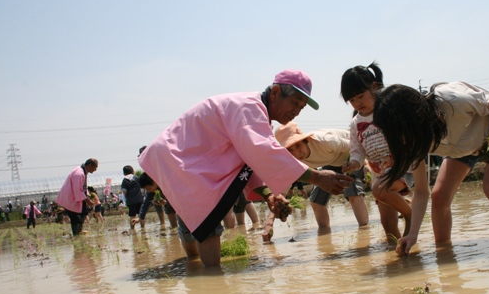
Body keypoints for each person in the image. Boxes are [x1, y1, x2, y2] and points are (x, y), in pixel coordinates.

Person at [138, 69, 352, 266]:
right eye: (295, 103)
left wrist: (269, 195)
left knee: (197, 222)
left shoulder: (257, 115)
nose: (296, 111)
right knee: (208, 225)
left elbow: (249, 160)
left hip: (181, 159)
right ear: (276, 92)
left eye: (301, 107)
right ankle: (213, 284)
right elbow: (263, 152)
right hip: (181, 160)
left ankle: (195, 273)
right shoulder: (249, 107)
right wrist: (316, 177)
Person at [372, 82, 489, 255]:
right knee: (439, 196)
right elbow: (421, 192)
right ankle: (444, 253)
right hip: (462, 145)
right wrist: (412, 235)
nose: (398, 139)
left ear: (412, 119)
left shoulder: (454, 99)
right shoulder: (414, 141)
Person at [340, 62, 412, 240]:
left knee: (380, 189)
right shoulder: (356, 123)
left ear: (374, 87)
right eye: (352, 100)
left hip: (401, 166)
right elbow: (357, 150)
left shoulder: (389, 110)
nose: (357, 103)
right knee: (387, 225)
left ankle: (410, 214)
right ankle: (401, 253)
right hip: (379, 172)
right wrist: (354, 163)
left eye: (360, 96)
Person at [275, 121, 369, 228]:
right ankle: (324, 234)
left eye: (298, 146)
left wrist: (364, 164)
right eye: (290, 150)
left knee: (352, 194)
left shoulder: (325, 141)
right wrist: (269, 224)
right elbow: (280, 194)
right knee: (316, 202)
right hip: (331, 162)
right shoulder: (292, 162)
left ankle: (365, 231)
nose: (296, 153)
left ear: (305, 140)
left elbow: (355, 146)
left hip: (351, 155)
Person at [56, 158, 98, 236]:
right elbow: (78, 191)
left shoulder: (82, 171)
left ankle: (79, 231)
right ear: (89, 166)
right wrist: (88, 201)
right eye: (95, 167)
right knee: (76, 218)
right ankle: (77, 234)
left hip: (75, 198)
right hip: (71, 199)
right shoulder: (79, 174)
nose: (95, 170)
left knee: (84, 212)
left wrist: (87, 194)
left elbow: (82, 187)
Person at [121, 165, 144, 230]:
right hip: (139, 199)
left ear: (124, 173)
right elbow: (142, 188)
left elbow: (124, 191)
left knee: (132, 216)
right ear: (133, 171)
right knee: (141, 215)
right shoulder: (137, 178)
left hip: (131, 201)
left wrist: (126, 198)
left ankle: (133, 229)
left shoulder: (124, 181)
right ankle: (143, 228)